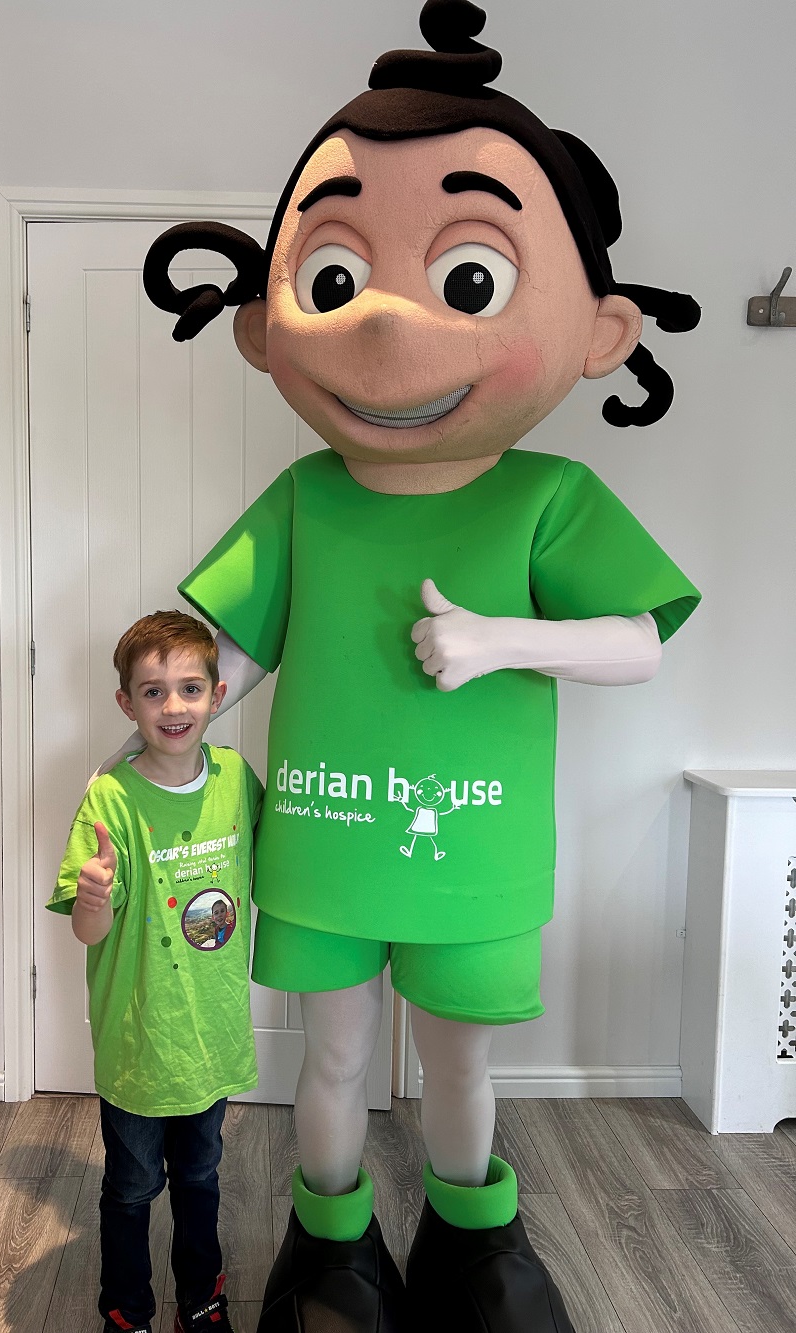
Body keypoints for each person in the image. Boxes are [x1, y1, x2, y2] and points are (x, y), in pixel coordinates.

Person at [136, 4, 701, 1331]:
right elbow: (225, 654)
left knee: (459, 1063)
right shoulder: (302, 499)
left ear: (601, 329)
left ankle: (471, 1233)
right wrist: (161, 756)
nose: (384, 321)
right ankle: (330, 1249)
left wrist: (496, 639)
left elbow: (637, 641)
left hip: (481, 851)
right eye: (332, 279)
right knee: (330, 1058)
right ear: (269, 325)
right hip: (323, 844)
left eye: (468, 278)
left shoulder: (549, 499)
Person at [46, 610, 263, 1333]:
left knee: (201, 1180)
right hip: (139, 1043)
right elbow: (87, 929)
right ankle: (127, 1308)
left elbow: (282, 865)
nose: (173, 706)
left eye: (190, 688)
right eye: (153, 691)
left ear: (218, 693)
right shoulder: (109, 799)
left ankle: (201, 1300)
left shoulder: (237, 778)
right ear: (126, 704)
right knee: (132, 1187)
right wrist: (96, 894)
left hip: (210, 1036)